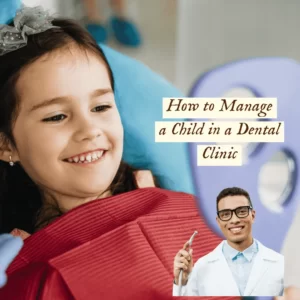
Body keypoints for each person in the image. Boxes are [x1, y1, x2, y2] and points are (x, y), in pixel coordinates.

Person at [0, 5, 224, 300]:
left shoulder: (188, 211)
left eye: (101, 107)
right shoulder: (23, 269)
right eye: (56, 116)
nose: (89, 130)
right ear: (6, 145)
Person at [173, 187, 284, 297]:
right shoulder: (201, 267)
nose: (234, 220)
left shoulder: (280, 263)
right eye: (225, 214)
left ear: (253, 216)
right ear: (218, 221)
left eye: (241, 212)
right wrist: (181, 282)